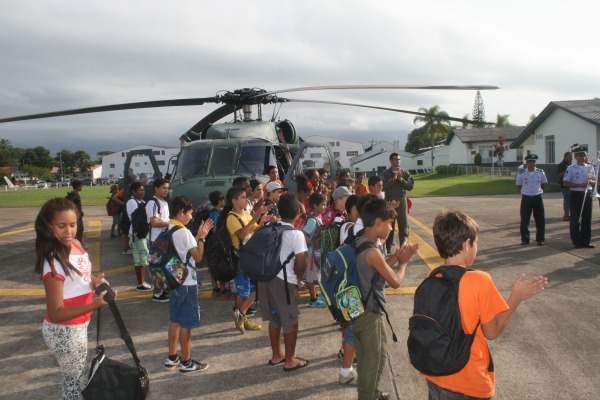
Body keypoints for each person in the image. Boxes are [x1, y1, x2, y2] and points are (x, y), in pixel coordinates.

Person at [421, 210, 548, 399]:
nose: (476, 247)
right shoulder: (479, 280)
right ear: (466, 245)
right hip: (468, 381)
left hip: (436, 375)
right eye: (476, 243)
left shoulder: (433, 277)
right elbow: (492, 331)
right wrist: (516, 297)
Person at [35, 198, 112, 399]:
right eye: (61, 226)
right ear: (48, 227)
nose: (68, 231)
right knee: (74, 387)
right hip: (65, 330)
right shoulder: (53, 263)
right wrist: (94, 305)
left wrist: (94, 281)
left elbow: (82, 275)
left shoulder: (76, 244)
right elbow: (56, 312)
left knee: (79, 379)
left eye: (73, 224)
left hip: (78, 326)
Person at [353, 197, 419, 400]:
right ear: (379, 222)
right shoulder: (372, 250)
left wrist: (396, 258)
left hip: (364, 308)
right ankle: (367, 396)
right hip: (370, 312)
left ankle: (372, 392)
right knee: (372, 360)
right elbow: (395, 281)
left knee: (374, 357)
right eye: (390, 223)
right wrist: (404, 263)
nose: (391, 228)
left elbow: (377, 269)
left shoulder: (362, 240)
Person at [258, 193, 310, 372]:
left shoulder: (270, 227)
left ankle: (277, 354)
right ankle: (289, 360)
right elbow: (301, 262)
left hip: (265, 279)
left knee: (275, 318)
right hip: (284, 282)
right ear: (297, 211)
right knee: (290, 319)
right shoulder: (296, 234)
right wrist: (298, 280)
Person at [164, 195, 213, 373]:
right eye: (190, 213)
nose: (191, 217)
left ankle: (172, 357)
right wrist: (201, 238)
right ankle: (186, 361)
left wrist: (196, 236)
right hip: (187, 282)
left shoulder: (168, 227)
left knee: (174, 320)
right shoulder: (184, 233)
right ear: (181, 212)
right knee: (186, 324)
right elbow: (198, 257)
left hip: (174, 279)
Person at [227, 186, 272, 333]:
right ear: (233, 201)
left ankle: (240, 315)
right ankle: (240, 315)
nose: (245, 200)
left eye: (246, 197)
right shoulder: (232, 217)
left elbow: (253, 230)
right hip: (241, 259)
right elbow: (241, 234)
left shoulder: (246, 213)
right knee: (243, 292)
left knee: (254, 290)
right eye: (242, 198)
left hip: (252, 256)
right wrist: (255, 218)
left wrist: (263, 220)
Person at [380, 153, 414, 253]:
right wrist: (394, 179)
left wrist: (401, 180)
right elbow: (382, 186)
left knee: (403, 225)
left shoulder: (405, 173)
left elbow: (410, 186)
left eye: (399, 159)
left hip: (401, 202)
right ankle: (388, 248)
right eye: (395, 159)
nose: (397, 161)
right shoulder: (385, 173)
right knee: (389, 225)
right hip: (389, 202)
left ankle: (404, 247)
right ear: (391, 161)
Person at [563, 147, 595, 248]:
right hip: (576, 194)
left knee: (587, 218)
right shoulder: (571, 168)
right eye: (580, 156)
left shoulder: (590, 167)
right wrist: (580, 185)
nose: (582, 157)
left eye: (584, 155)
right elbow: (565, 183)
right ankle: (576, 241)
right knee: (575, 219)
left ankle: (586, 241)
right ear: (575, 157)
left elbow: (595, 181)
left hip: (588, 193)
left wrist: (591, 182)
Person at [126, 181, 154, 292]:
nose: (143, 192)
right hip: (137, 234)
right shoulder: (132, 202)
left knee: (143, 258)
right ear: (133, 192)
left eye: (143, 190)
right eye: (140, 190)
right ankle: (140, 283)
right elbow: (135, 218)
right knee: (140, 260)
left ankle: (143, 281)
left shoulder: (141, 201)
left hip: (142, 234)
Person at [147, 178, 171, 302]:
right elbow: (154, 222)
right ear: (156, 189)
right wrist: (170, 224)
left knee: (163, 266)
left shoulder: (164, 203)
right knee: (157, 268)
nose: (166, 190)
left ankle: (163, 289)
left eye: (167, 188)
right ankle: (157, 294)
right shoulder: (153, 203)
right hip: (156, 241)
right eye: (163, 188)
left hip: (164, 240)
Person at [302, 192, 327, 308]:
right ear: (315, 206)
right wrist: (311, 241)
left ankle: (315, 295)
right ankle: (313, 299)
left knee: (315, 275)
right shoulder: (312, 220)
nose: (325, 207)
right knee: (311, 276)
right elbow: (303, 234)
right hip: (311, 253)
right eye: (323, 205)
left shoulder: (316, 217)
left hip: (315, 252)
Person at [516, 154, 548, 246]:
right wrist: (526, 192)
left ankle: (540, 239)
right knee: (525, 219)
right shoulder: (522, 173)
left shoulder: (540, 172)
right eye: (530, 162)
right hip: (526, 198)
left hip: (537, 197)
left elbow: (543, 184)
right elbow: (518, 186)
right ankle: (525, 239)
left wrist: (538, 191)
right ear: (527, 162)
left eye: (533, 162)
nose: (532, 164)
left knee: (540, 219)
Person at [66, 179, 85, 246]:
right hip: (76, 216)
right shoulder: (74, 195)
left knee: (80, 230)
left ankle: (79, 243)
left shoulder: (74, 194)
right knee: (79, 230)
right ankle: (78, 244)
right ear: (77, 186)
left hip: (78, 215)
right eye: (80, 186)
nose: (81, 187)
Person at [557, 151, 573, 221]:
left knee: (572, 200)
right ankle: (567, 214)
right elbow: (558, 175)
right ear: (565, 157)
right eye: (569, 156)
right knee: (567, 200)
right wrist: (567, 171)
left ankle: (572, 213)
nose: (570, 158)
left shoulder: (572, 165)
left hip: (572, 185)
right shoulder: (561, 165)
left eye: (571, 157)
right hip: (565, 186)